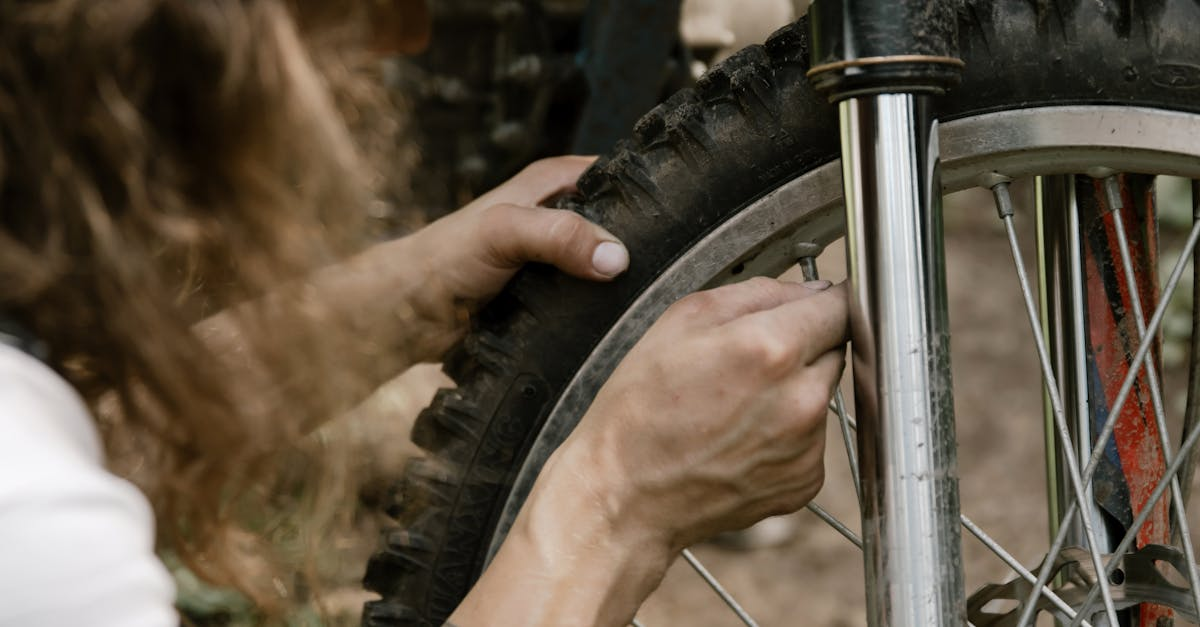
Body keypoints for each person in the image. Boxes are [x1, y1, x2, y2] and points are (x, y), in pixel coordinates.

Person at [0, 1, 848, 626]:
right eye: (356, 48)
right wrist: (615, 504)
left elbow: (76, 437)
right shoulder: (43, 531)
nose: (411, 49)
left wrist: (397, 301)